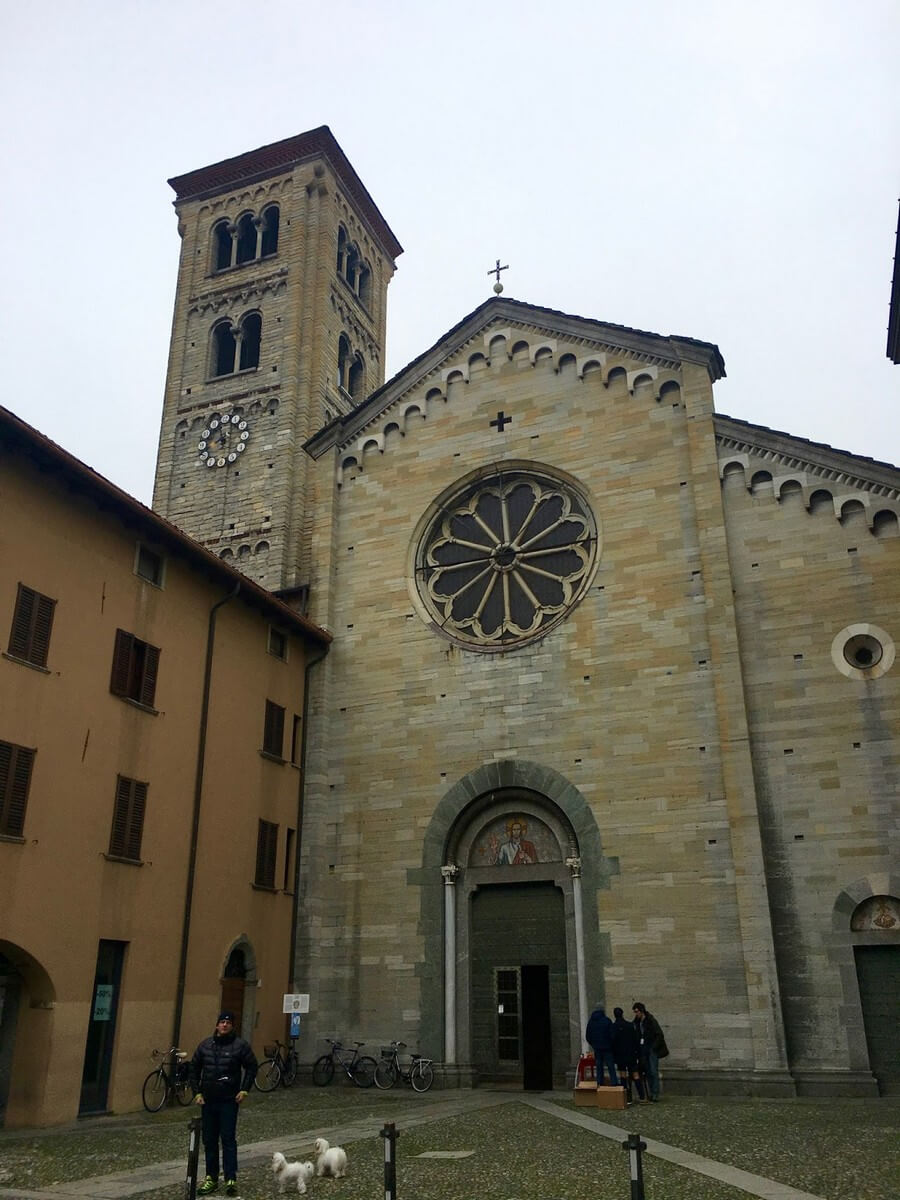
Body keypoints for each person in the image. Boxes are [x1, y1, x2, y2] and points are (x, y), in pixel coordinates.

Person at [190, 1010, 258, 1196]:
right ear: (217, 1025)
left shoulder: (240, 1046)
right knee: (209, 1140)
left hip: (228, 1100)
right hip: (208, 1100)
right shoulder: (205, 1045)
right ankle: (210, 1178)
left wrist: (244, 1089)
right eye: (222, 1022)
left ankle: (230, 1178)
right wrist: (197, 1093)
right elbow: (193, 1069)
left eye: (228, 1022)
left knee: (228, 1139)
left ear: (232, 1026)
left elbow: (252, 1066)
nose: (225, 1025)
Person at [632, 1001, 668, 1102]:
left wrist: (654, 1047)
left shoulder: (651, 1020)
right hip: (643, 1050)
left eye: (637, 1011)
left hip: (651, 1049)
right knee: (647, 1072)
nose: (636, 1014)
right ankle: (651, 1092)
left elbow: (659, 1034)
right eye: (635, 1012)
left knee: (653, 1071)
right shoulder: (636, 1022)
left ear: (641, 1011)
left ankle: (655, 1093)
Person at [611, 1006, 643, 1103]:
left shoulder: (614, 1027)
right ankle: (641, 1096)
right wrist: (637, 1052)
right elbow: (636, 1040)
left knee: (623, 1075)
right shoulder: (630, 1025)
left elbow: (613, 1041)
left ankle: (626, 1098)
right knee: (635, 1074)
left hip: (620, 1055)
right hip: (631, 1053)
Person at [585, 1002, 619, 1086]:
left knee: (599, 1066)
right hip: (607, 1048)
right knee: (610, 1066)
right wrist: (610, 1044)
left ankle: (599, 1083)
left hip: (597, 1048)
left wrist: (593, 1044)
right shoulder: (607, 1020)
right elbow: (612, 1035)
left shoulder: (591, 1022)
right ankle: (614, 1083)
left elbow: (588, 1035)